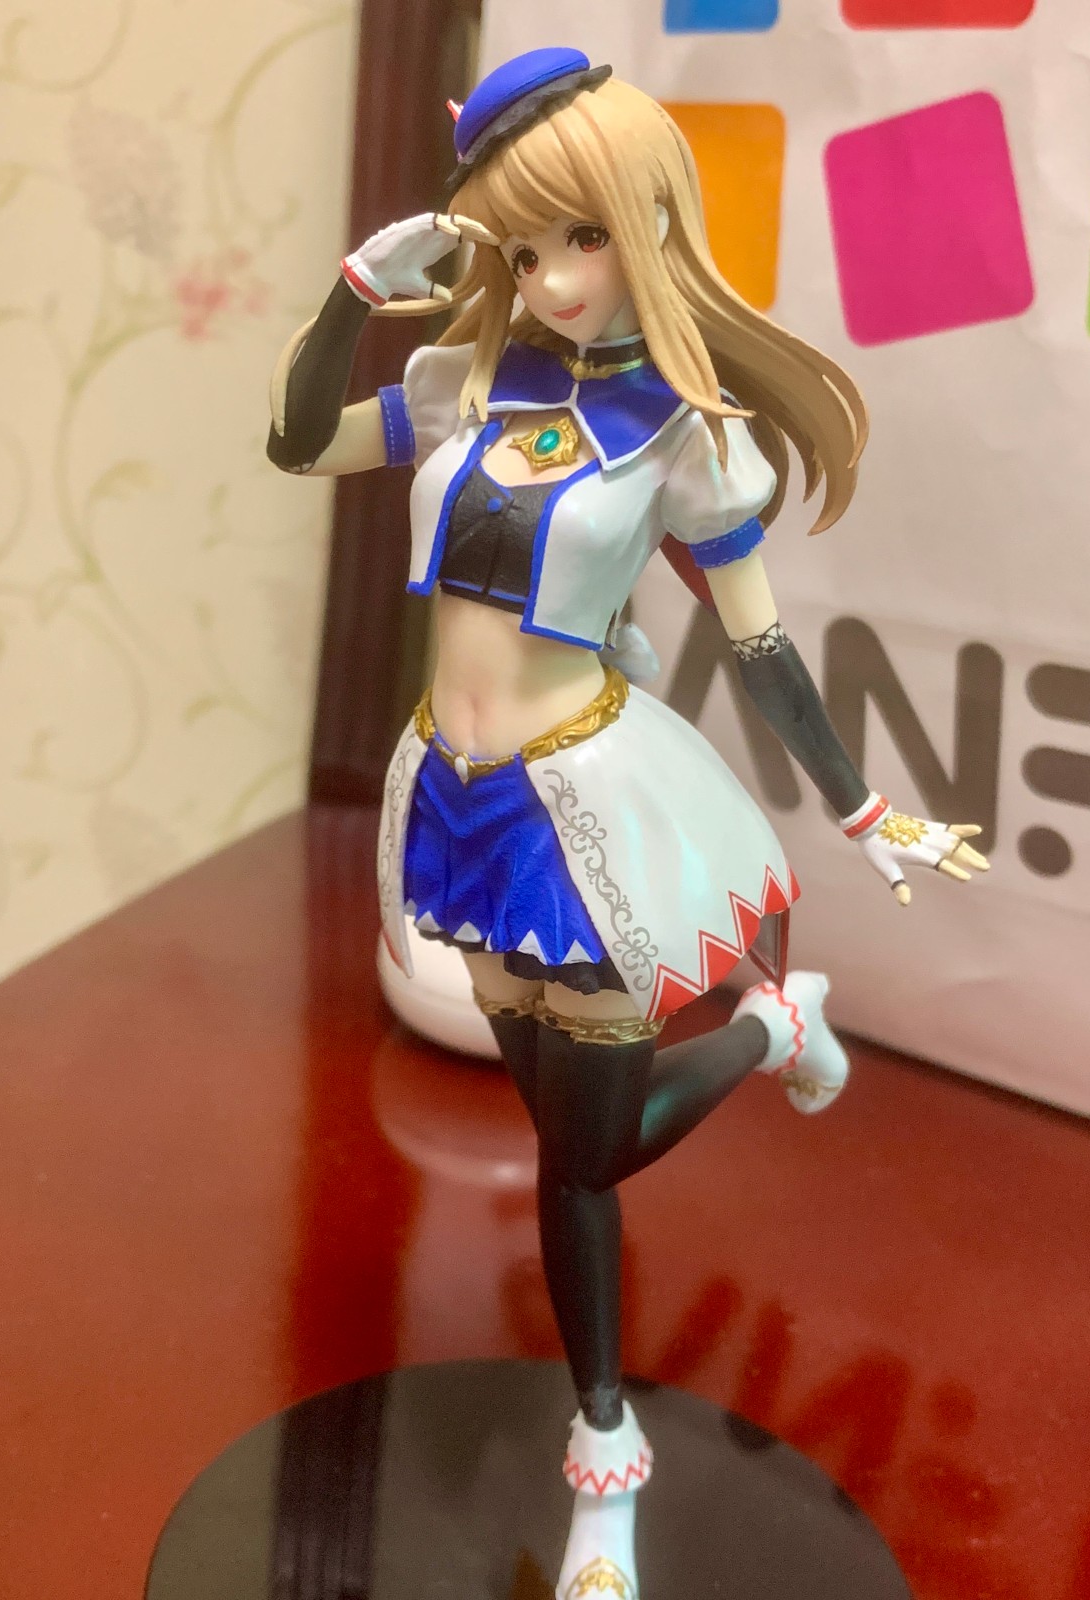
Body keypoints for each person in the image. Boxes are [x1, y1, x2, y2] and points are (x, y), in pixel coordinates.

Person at [266, 46, 987, 1600]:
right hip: (455, 800)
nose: (550, 278)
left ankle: (764, 1037)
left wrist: (866, 808)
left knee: (586, 1152)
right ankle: (607, 1415)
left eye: (579, 237)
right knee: (562, 1147)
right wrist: (352, 295)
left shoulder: (687, 432)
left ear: (648, 218)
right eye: (522, 245)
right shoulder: (466, 380)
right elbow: (300, 442)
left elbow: (760, 643)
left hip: (578, 806)